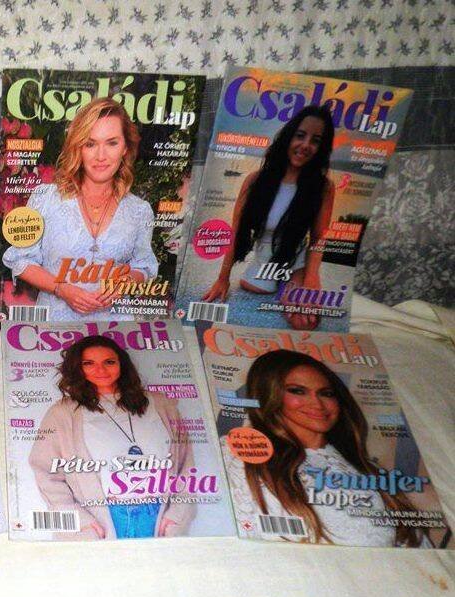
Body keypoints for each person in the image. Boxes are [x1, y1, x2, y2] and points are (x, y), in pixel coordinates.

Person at [225, 349, 430, 547]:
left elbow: (416, 545)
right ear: (269, 394)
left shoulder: (368, 471)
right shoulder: (239, 454)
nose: (317, 404)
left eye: (326, 393)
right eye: (298, 391)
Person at [1, 97, 158, 321]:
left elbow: (144, 266)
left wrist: (126, 282)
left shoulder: (139, 211)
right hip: (54, 326)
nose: (101, 156)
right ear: (78, 147)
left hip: (115, 329)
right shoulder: (46, 198)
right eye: (90, 144)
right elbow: (20, 260)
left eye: (112, 143)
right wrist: (61, 289)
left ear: (125, 148)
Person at [29, 336, 194, 540]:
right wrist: (79, 519)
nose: (101, 370)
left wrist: (178, 514)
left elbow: (186, 464)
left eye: (109, 362)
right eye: (89, 363)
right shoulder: (63, 413)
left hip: (158, 516)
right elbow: (45, 471)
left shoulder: (161, 404)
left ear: (121, 364)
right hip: (103, 520)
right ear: (77, 368)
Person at [201, 106, 336, 330]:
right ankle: (285, 281)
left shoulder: (323, 188)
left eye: (315, 141)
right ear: (288, 137)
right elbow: (236, 232)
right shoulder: (255, 181)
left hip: (296, 259)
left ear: (321, 148)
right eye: (300, 135)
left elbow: (318, 238)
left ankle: (294, 278)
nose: (305, 145)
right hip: (265, 260)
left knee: (305, 322)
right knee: (255, 287)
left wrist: (312, 280)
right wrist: (223, 278)